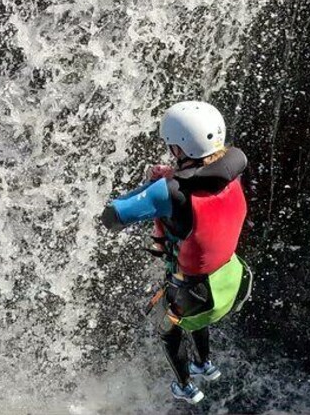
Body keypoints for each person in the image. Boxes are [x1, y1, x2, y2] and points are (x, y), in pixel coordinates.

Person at [100, 101, 253, 405]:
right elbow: (199, 181)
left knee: (166, 326)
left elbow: (112, 216)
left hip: (196, 295)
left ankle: (185, 385)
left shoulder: (168, 192)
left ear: (179, 149)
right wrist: (174, 175)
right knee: (195, 318)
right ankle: (204, 363)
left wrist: (154, 186)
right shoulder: (232, 168)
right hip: (232, 280)